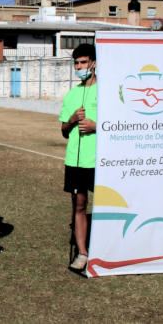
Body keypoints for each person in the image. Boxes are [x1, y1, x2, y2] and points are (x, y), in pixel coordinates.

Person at [59, 43, 97, 272]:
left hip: (102, 161)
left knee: (106, 205)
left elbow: (122, 126)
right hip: (75, 161)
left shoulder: (109, 91)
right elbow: (63, 131)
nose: (80, 67)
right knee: (79, 205)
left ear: (93, 63)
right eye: (76, 63)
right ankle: (82, 253)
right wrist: (72, 119)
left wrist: (96, 125)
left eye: (83, 62)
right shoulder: (71, 95)